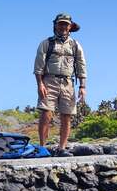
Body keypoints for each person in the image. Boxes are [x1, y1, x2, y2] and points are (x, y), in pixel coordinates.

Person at [33, 13, 87, 157]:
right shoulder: (46, 43)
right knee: (46, 114)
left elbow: (81, 65)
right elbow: (38, 66)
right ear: (55, 25)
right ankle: (42, 148)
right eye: (60, 24)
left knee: (66, 116)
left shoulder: (75, 45)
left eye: (66, 24)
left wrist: (82, 86)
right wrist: (40, 84)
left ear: (70, 27)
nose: (63, 26)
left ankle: (62, 148)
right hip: (49, 81)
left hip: (68, 82)